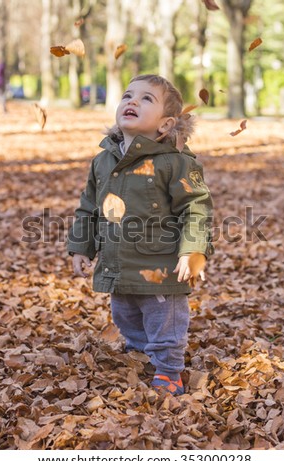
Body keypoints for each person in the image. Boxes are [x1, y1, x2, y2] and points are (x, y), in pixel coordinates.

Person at [68, 74, 213, 395]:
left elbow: (196, 207)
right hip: (118, 263)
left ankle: (168, 369)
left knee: (165, 322)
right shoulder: (104, 160)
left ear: (165, 125)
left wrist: (194, 250)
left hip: (161, 265)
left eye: (147, 99)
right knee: (124, 314)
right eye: (128, 95)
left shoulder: (174, 162)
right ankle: (140, 349)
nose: (132, 101)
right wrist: (81, 246)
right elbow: (89, 206)